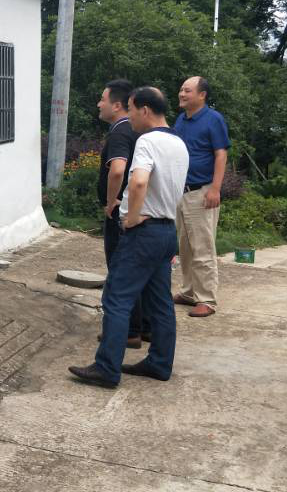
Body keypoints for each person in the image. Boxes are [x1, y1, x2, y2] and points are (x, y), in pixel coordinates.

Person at [69, 87, 189, 388]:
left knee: (117, 298)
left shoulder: (148, 141)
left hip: (144, 233)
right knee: (160, 302)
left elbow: (137, 182)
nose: (130, 116)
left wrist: (132, 218)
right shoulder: (179, 143)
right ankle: (159, 363)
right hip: (166, 231)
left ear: (145, 110)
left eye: (132, 109)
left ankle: (106, 368)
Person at [173, 77, 231, 317]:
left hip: (202, 192)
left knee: (203, 247)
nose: (181, 94)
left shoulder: (213, 119)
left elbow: (221, 154)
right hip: (181, 192)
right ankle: (189, 292)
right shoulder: (181, 119)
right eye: (181, 89)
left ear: (202, 95)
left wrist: (215, 189)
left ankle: (206, 299)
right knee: (185, 247)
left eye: (187, 90)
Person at [96, 79, 147, 349]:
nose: (99, 104)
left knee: (120, 273)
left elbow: (117, 170)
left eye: (102, 100)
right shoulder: (137, 130)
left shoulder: (120, 132)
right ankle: (143, 327)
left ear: (117, 105)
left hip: (119, 213)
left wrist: (110, 201)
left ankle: (129, 331)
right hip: (139, 211)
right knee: (138, 272)